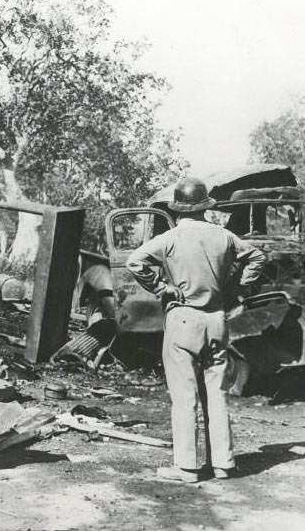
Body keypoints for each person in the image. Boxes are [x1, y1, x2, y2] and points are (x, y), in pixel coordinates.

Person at [126, 176, 265, 483]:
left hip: (184, 320)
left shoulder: (171, 238)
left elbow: (135, 262)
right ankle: (223, 464)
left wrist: (163, 288)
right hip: (217, 319)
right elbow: (256, 257)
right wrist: (237, 288)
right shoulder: (224, 236)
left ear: (177, 209)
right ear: (205, 207)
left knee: (185, 395)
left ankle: (187, 467)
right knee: (216, 394)